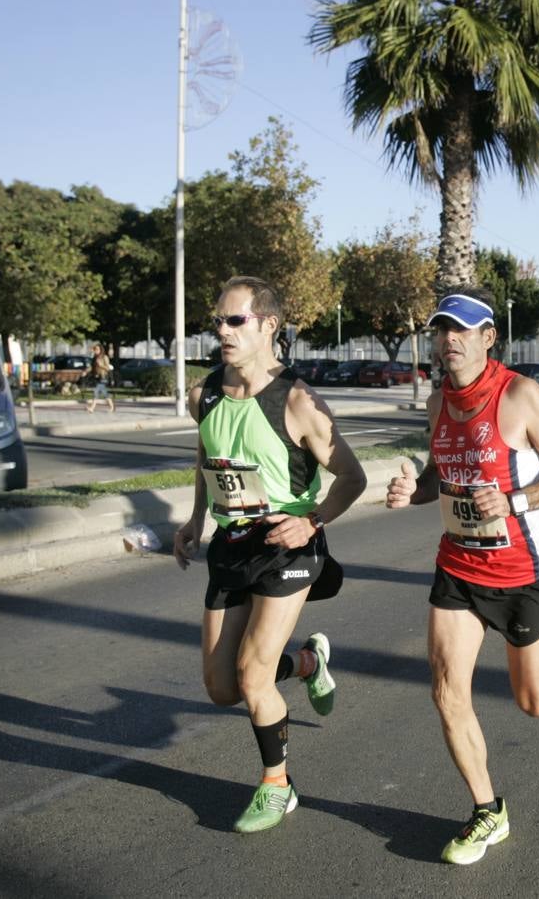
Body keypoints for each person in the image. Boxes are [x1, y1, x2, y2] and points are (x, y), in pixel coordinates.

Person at [385, 288, 539, 866]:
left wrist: (515, 501)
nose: (448, 338)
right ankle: (487, 810)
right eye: (440, 329)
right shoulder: (435, 405)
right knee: (446, 689)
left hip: (523, 572)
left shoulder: (521, 397)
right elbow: (439, 476)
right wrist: (415, 490)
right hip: (458, 567)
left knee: (534, 703)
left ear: (488, 338)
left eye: (462, 328)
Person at [172, 275, 368, 834]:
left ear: (268, 327)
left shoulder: (299, 401)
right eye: (218, 320)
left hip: (288, 544)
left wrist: (312, 521)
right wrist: (195, 518)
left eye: (235, 320)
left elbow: (352, 478)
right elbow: (209, 454)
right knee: (220, 687)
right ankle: (308, 663)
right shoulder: (203, 394)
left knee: (254, 679)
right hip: (231, 545)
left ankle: (278, 786)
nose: (222, 330)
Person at [85, 343, 115, 413]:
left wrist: (101, 365)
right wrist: (86, 371)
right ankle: (112, 407)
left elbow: (108, 368)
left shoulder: (105, 357)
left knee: (96, 391)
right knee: (105, 394)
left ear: (101, 350)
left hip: (103, 377)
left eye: (97, 349)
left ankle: (92, 408)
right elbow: (92, 367)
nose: (95, 351)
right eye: (95, 349)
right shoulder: (95, 358)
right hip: (97, 377)